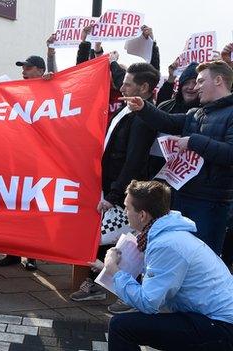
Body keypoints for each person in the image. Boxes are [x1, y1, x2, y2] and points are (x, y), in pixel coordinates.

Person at [70, 63, 160, 314]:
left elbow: (133, 159)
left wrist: (113, 194)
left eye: (128, 84)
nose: (121, 86)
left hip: (125, 197)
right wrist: (104, 59)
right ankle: (102, 286)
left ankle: (128, 295)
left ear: (144, 88)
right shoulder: (127, 108)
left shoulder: (142, 118)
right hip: (114, 190)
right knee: (115, 243)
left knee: (120, 244)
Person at [121, 60, 233, 256]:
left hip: (210, 203)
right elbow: (168, 121)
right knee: (177, 256)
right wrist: (144, 108)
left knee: (200, 259)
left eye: (200, 81)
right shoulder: (195, 114)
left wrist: (193, 142)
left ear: (218, 80)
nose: (195, 87)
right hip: (181, 197)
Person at [106, 180, 233, 351]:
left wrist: (114, 271)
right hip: (212, 319)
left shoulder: (165, 244)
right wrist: (106, 268)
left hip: (220, 327)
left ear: (142, 215)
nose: (125, 213)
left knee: (120, 327)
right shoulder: (168, 234)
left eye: (127, 208)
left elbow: (148, 303)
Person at [0, 55, 49, 271]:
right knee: (13, 205)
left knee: (33, 208)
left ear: (41, 70)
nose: (24, 71)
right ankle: (13, 252)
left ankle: (32, 254)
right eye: (22, 67)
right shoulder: (16, 90)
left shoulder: (50, 89)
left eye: (28, 67)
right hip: (15, 158)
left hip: (38, 160)